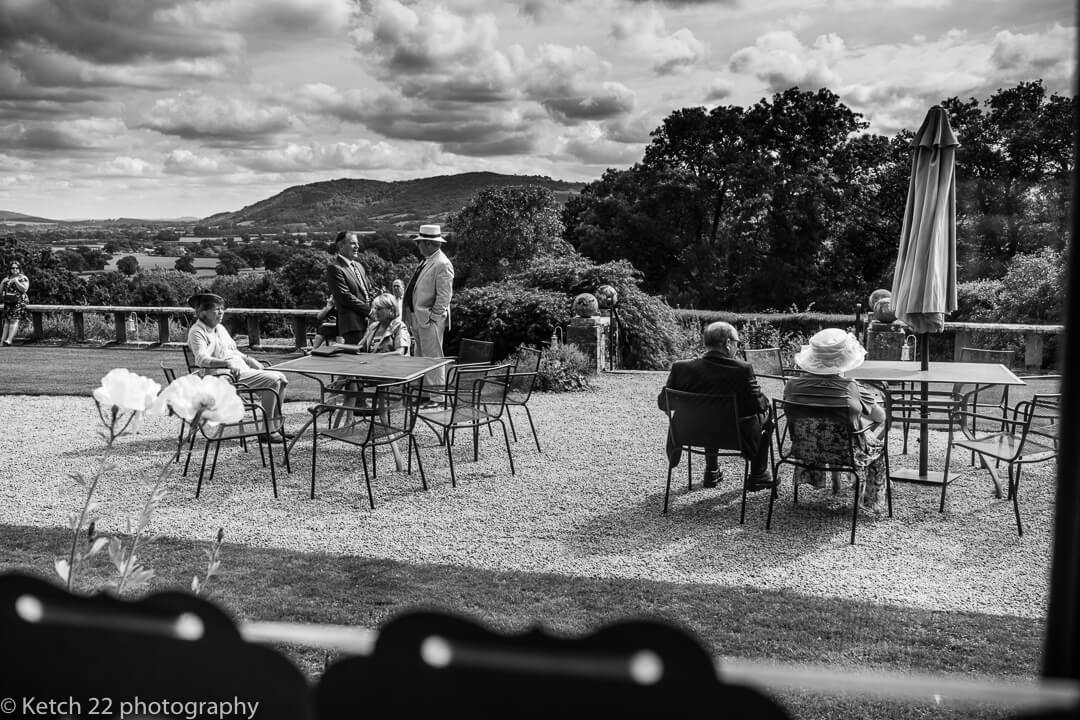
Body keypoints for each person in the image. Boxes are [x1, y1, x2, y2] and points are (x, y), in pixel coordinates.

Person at [656, 321, 773, 491]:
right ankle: (758, 475)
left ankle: (711, 471)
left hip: (689, 432)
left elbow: (663, 403)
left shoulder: (681, 368)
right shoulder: (742, 370)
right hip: (735, 435)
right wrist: (766, 400)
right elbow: (758, 406)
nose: (737, 348)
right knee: (769, 416)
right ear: (727, 343)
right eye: (737, 344)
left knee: (708, 414)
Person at [783, 328, 888, 513]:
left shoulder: (792, 385)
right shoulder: (851, 387)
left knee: (828, 427)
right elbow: (880, 417)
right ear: (845, 358)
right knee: (873, 436)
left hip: (805, 449)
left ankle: (834, 480)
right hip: (847, 453)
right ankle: (870, 499)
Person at [186, 292, 290, 434]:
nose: (221, 312)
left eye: (222, 308)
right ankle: (268, 430)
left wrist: (249, 359)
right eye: (216, 309)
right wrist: (226, 364)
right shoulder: (197, 332)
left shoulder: (220, 328)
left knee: (282, 379)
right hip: (222, 377)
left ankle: (274, 426)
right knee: (273, 380)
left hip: (239, 372)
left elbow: (232, 351)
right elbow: (201, 359)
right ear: (203, 312)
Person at [402, 224, 454, 397]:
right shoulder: (428, 261)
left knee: (433, 358)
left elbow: (444, 295)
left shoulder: (442, 263)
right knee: (421, 357)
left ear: (429, 243)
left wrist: (434, 317)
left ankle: (437, 397)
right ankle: (425, 394)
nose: (418, 246)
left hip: (429, 319)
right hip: (420, 317)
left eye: (420, 242)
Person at [326, 231, 372, 344]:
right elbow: (344, 297)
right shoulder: (335, 268)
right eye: (352, 243)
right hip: (353, 325)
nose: (357, 246)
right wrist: (370, 311)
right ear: (341, 245)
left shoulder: (359, 266)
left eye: (357, 243)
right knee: (357, 359)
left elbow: (368, 291)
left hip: (369, 323)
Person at [0, 260, 29, 346]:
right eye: (13, 268)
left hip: (19, 301)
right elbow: (0, 291)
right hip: (8, 301)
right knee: (7, 321)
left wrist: (16, 281)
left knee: (14, 319)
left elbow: (24, 289)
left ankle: (9, 340)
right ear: (10, 269)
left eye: (17, 268)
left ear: (20, 269)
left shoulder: (23, 278)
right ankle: (2, 341)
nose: (15, 269)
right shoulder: (6, 279)